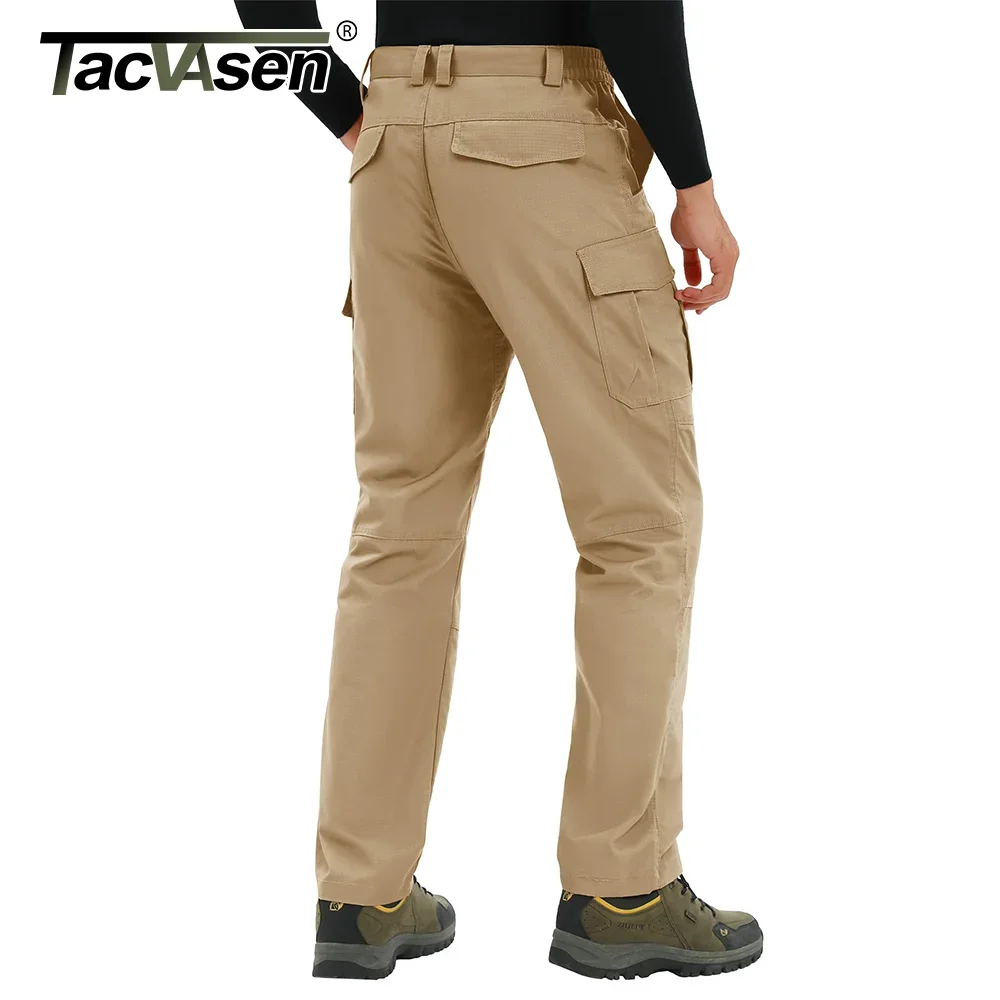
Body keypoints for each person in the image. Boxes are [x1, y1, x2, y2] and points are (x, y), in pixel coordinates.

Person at [235, 0, 759, 981]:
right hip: (543, 143)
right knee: (639, 524)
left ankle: (360, 894)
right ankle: (623, 888)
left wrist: (355, 116)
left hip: (392, 153)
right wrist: (693, 180)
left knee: (400, 525)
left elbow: (262, 2)